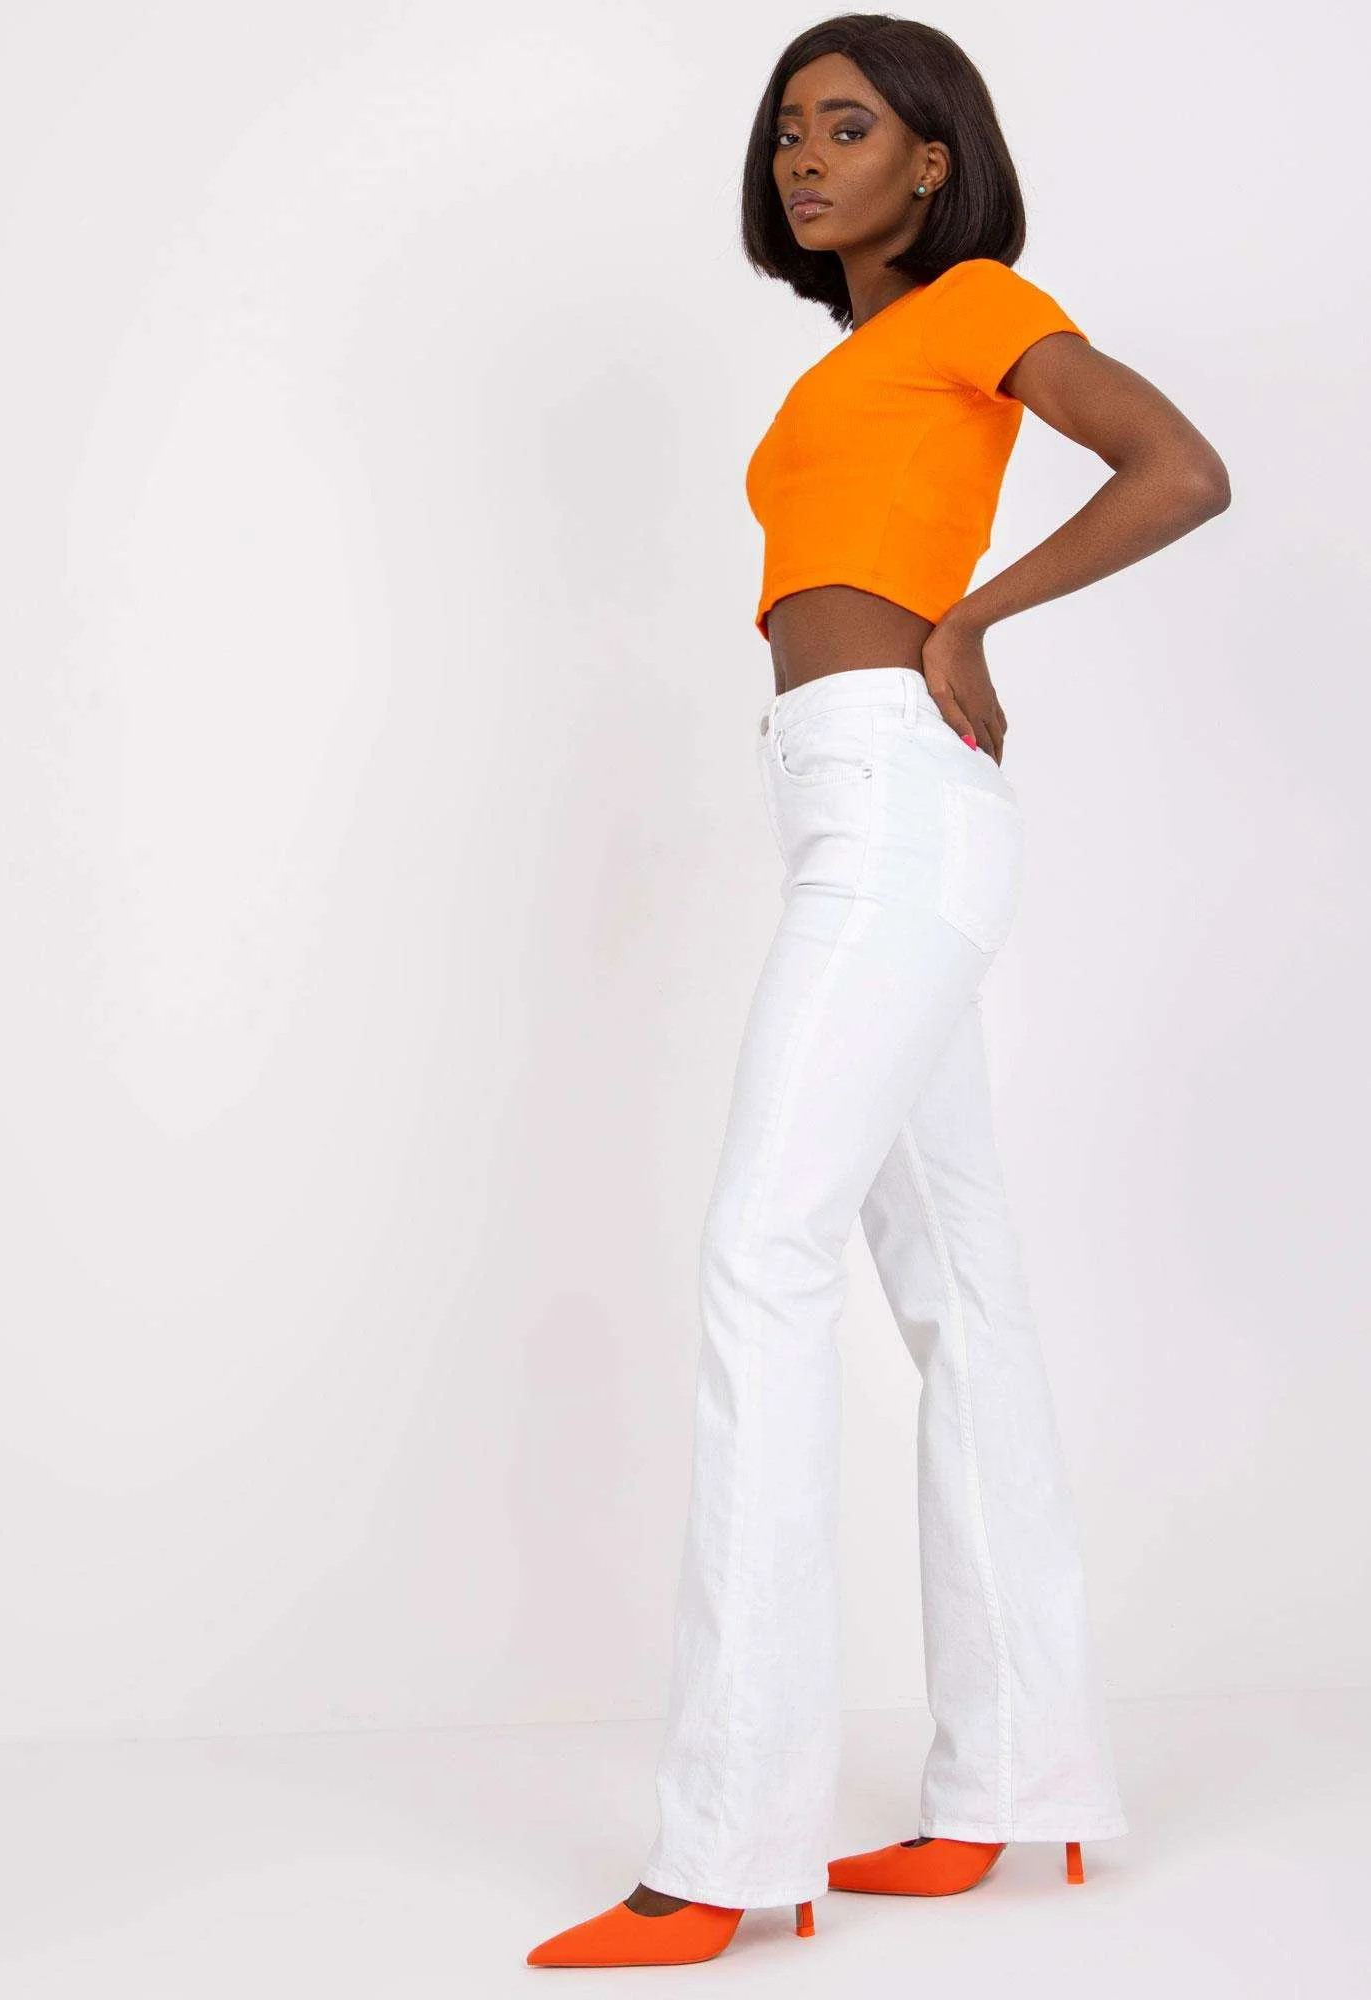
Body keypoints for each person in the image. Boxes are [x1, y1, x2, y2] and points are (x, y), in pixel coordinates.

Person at [527, 13, 1228, 1970]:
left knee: (764, 1253)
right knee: (960, 1298)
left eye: (847, 127)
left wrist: (978, 615)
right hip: (845, 798)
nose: (803, 158)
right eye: (786, 133)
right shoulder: (845, 361)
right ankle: (1018, 1781)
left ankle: (724, 1845)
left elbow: (1179, 468)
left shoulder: (979, 305)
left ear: (933, 158)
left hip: (900, 806)